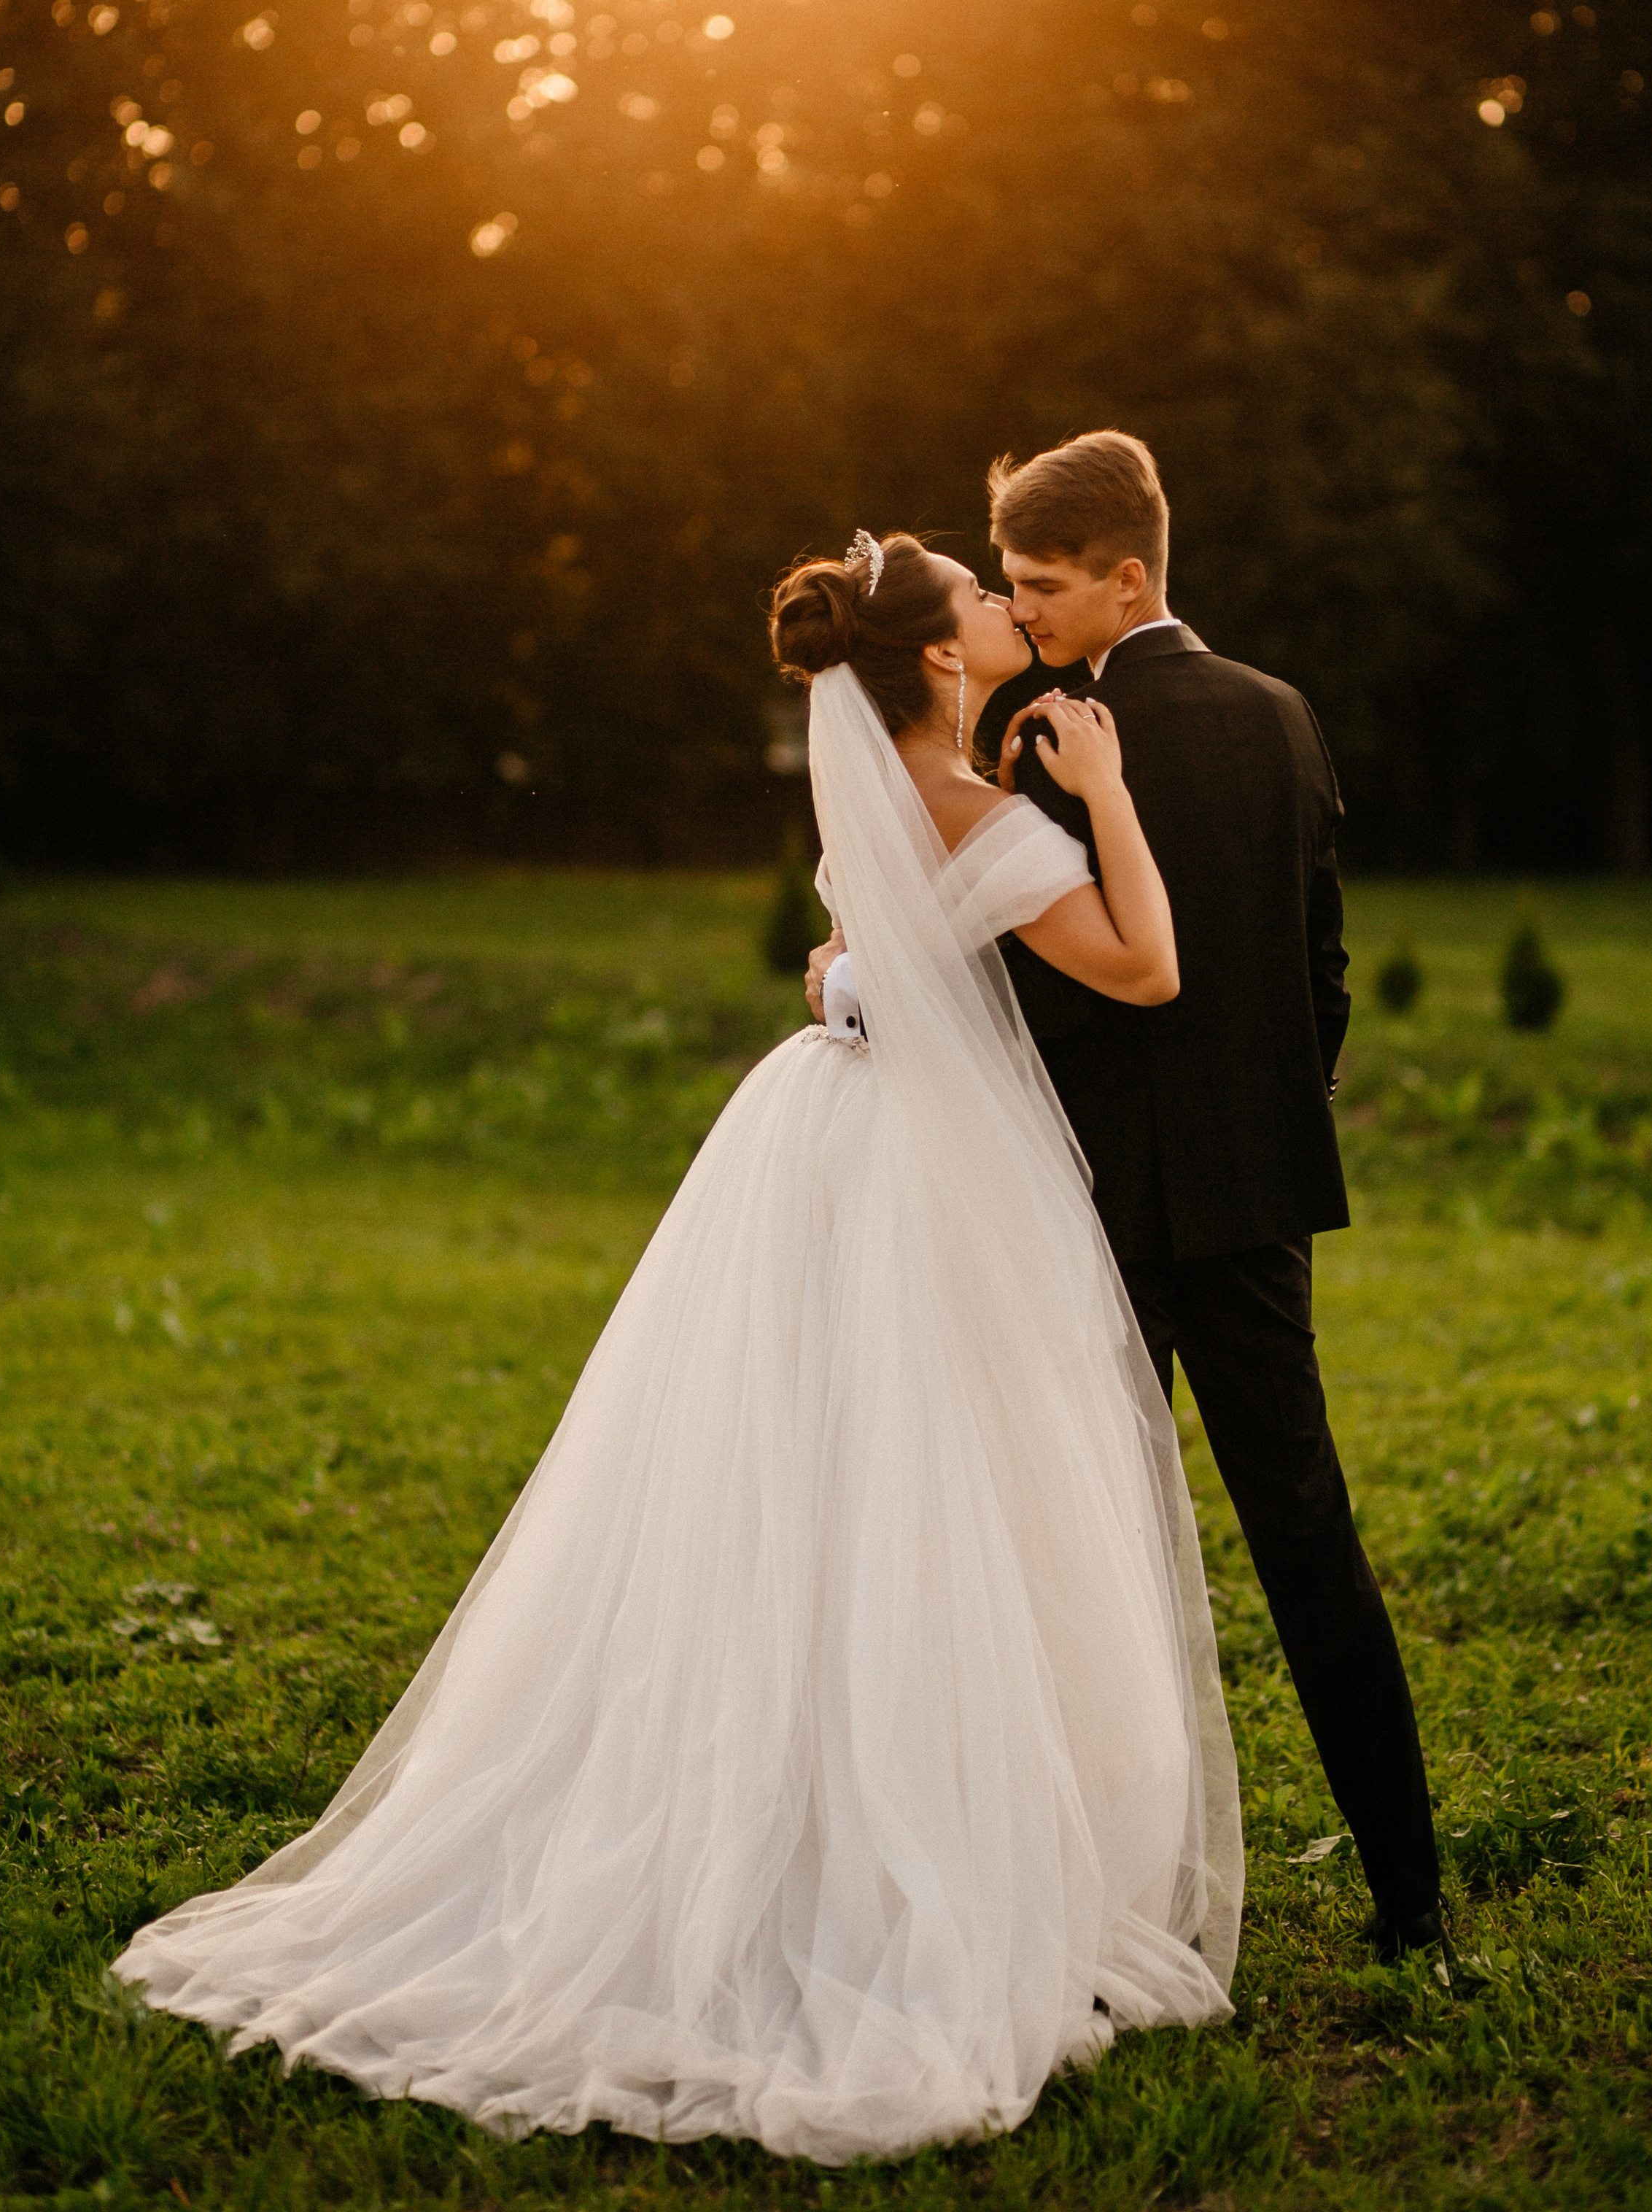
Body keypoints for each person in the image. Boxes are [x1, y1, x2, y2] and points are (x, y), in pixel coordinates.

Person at [112, 530, 1242, 2167]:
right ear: (939, 660)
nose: (1008, 609)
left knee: (802, 1489)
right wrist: (1111, 794)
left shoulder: (880, 788)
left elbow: (882, 962)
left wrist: (856, 970)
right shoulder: (985, 811)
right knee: (930, 1497)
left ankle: (784, 1809)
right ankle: (887, 1859)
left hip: (814, 1149)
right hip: (921, 1178)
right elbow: (1144, 966)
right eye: (981, 597)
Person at [813, 436, 1443, 1964]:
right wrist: (1275, 1116)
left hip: (1083, 1206)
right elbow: (1320, 972)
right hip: (1248, 1200)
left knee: (1083, 1551)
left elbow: (1043, 993)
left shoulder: (1034, 729)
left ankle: (1083, 1885)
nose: (1020, 617)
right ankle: (1406, 1887)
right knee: (1305, 1533)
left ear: (1124, 576)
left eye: (1035, 588)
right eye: (1005, 590)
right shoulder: (1281, 718)